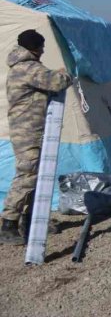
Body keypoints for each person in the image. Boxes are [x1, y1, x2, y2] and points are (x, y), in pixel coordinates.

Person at [1, 30, 72, 245]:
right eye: (41, 47)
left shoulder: (25, 67)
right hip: (27, 131)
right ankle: (8, 222)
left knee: (39, 175)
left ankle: (32, 220)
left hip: (34, 129)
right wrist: (66, 73)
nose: (42, 51)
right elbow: (57, 82)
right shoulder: (27, 68)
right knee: (27, 175)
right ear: (33, 48)